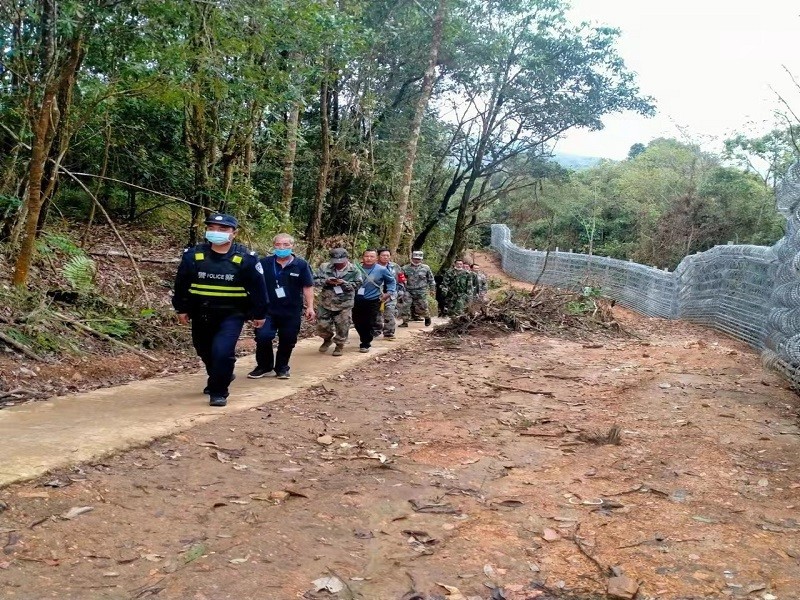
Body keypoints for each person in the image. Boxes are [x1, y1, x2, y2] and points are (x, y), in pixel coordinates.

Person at [173, 213, 268, 407]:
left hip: (231, 314)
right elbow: (181, 284)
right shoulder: (194, 255)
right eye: (212, 228)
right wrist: (181, 308)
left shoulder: (245, 259)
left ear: (234, 233)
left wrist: (259, 313)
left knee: (222, 352)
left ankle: (219, 391)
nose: (216, 232)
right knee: (204, 350)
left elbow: (258, 288)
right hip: (201, 312)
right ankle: (221, 374)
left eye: (223, 229)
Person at [248, 233, 315, 380]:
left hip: (291, 310)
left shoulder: (301, 265)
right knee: (263, 336)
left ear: (292, 246)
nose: (282, 248)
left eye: (286, 245)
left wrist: (310, 306)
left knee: (288, 339)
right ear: (273, 246)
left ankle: (282, 367)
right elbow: (254, 284)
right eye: (278, 245)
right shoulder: (264, 263)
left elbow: (308, 286)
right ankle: (264, 366)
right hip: (267, 309)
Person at [315, 248, 364, 356]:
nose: (339, 264)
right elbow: (314, 280)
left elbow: (358, 284)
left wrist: (344, 283)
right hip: (326, 301)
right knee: (322, 325)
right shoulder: (324, 267)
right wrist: (326, 281)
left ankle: (339, 345)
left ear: (346, 259)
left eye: (341, 262)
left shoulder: (354, 270)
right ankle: (327, 339)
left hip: (344, 303)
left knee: (343, 325)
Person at [352, 249, 396, 352]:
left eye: (372, 257)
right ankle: (364, 336)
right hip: (356, 299)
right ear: (362, 257)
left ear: (376, 258)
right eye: (366, 256)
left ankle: (365, 342)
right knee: (357, 321)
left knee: (369, 321)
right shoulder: (355, 269)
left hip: (373, 299)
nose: (369, 258)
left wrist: (388, 293)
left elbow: (391, 281)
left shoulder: (381, 270)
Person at [372, 247, 401, 340]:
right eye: (383, 255)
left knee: (389, 312)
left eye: (387, 255)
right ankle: (376, 330)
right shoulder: (372, 266)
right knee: (376, 313)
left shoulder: (395, 267)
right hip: (376, 294)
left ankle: (389, 332)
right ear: (378, 256)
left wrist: (401, 291)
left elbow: (401, 279)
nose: (385, 257)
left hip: (391, 294)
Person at [401, 250, 435, 327]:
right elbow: (401, 279)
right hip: (408, 290)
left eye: (419, 259)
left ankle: (427, 317)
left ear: (421, 260)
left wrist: (432, 289)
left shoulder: (426, 268)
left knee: (422, 306)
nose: (416, 261)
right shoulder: (405, 268)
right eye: (415, 259)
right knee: (405, 305)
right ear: (412, 258)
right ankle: (405, 321)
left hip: (421, 290)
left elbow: (431, 279)